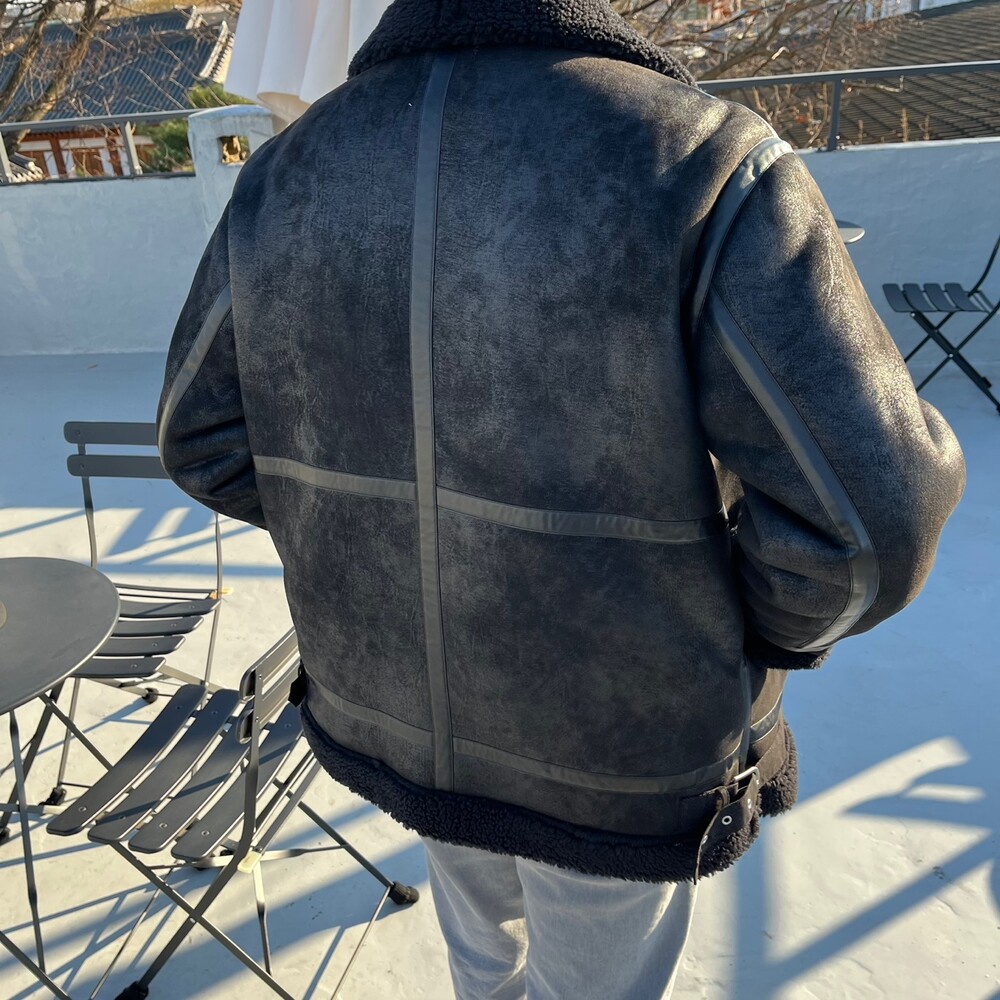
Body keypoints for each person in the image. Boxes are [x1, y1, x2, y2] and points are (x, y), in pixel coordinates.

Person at [156, 1, 966, 997]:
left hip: (397, 708)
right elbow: (873, 521)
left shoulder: (287, 171)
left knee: (481, 961)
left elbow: (200, 441)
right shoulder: (702, 156)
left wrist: (368, 545)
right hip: (620, 742)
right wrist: (733, 624)